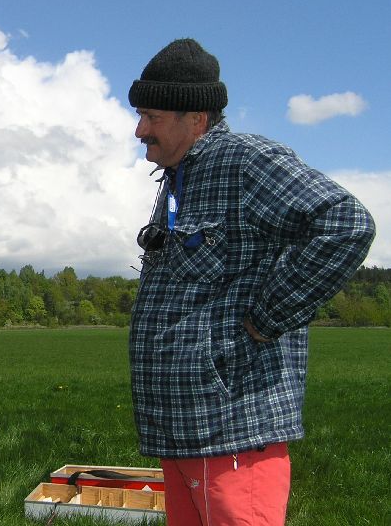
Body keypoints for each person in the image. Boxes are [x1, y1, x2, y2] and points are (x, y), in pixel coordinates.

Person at [128, 38, 375, 525]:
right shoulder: (178, 179)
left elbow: (346, 223)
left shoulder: (244, 161)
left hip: (234, 434)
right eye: (140, 116)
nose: (140, 130)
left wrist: (267, 318)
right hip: (183, 433)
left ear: (196, 119)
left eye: (152, 117)